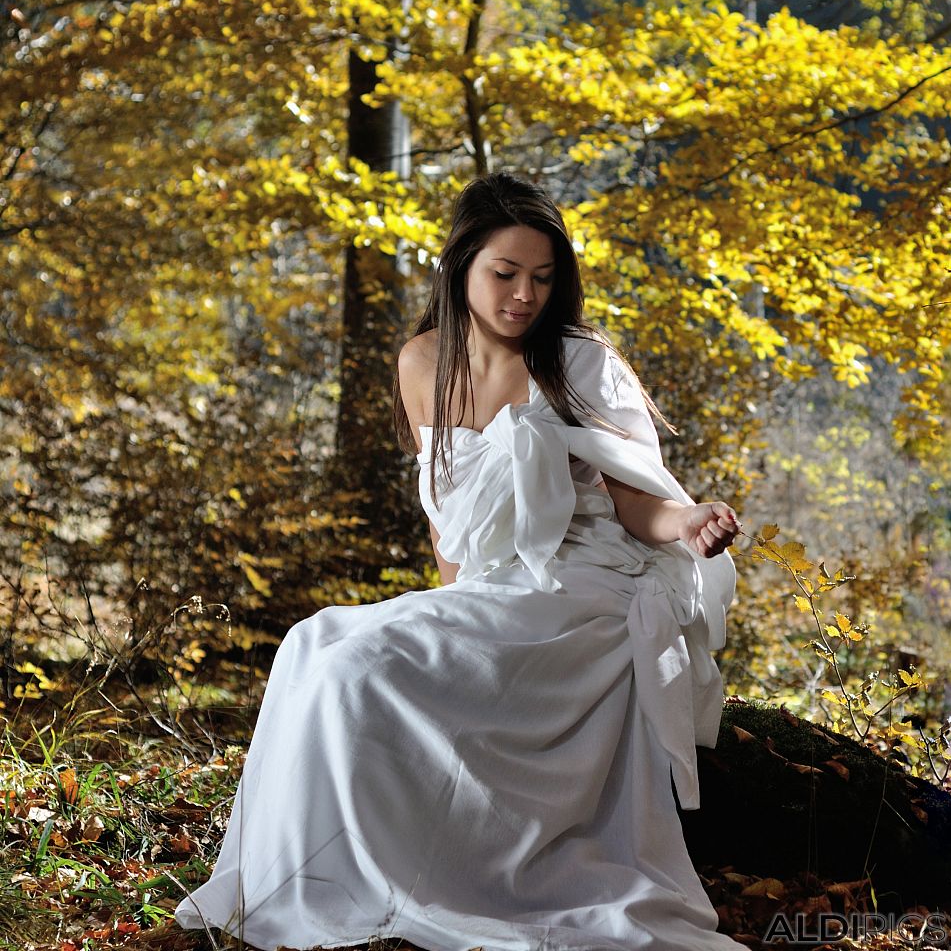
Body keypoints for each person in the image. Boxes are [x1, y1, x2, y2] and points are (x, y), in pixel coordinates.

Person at [175, 172, 747, 951]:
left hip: (582, 589)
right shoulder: (421, 362)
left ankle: (405, 876)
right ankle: (309, 876)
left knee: (359, 670)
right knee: (312, 642)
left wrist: (691, 523)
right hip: (494, 586)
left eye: (543, 278)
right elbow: (449, 524)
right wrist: (445, 613)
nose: (524, 295)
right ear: (459, 268)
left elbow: (635, 500)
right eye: (505, 274)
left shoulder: (580, 362)